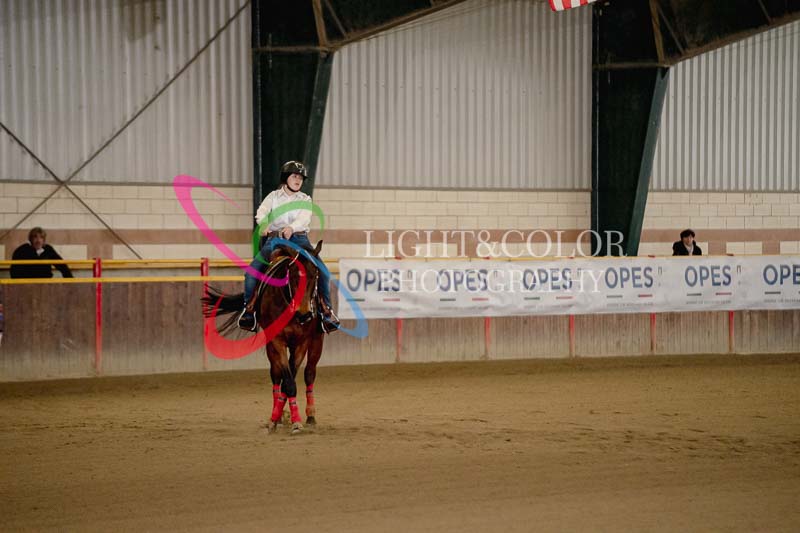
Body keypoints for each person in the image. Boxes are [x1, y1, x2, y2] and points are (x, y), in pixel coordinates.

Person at [239, 160, 339, 332]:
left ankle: (326, 311)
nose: (298, 180)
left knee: (323, 272)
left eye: (300, 178)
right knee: (251, 273)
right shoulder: (273, 197)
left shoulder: (305, 199)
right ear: (286, 178)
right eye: (294, 176)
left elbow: (304, 218)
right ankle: (249, 311)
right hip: (275, 240)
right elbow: (262, 212)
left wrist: (292, 228)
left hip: (299, 240)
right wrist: (263, 224)